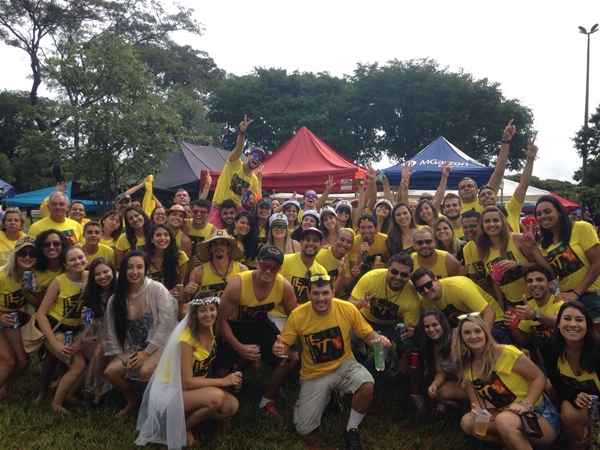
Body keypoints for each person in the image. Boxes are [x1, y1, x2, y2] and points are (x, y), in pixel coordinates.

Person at [273, 274, 391, 449]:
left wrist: (379, 341)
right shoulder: (298, 315)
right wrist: (279, 348)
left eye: (325, 293)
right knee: (303, 429)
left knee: (367, 384)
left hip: (345, 365)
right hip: (314, 374)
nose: (321, 298)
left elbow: (368, 335)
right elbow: (283, 343)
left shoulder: (347, 308)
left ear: (333, 292)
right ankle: (331, 397)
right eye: (316, 293)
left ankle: (352, 429)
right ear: (308, 293)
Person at [136, 296, 241, 449]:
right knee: (217, 398)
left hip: (190, 389)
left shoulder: (210, 329)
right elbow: (186, 382)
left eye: (212, 309)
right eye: (202, 311)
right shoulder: (186, 340)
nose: (208, 314)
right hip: (171, 391)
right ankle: (183, 427)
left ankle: (191, 418)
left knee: (232, 406)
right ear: (194, 314)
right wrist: (223, 381)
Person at [456, 315, 559, 449]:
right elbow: (477, 405)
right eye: (467, 333)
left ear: (485, 333)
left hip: (537, 416)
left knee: (504, 420)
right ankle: (512, 442)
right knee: (468, 422)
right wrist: (480, 415)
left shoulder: (506, 353)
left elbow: (538, 377)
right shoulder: (467, 367)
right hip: (504, 416)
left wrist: (525, 404)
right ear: (461, 338)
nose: (473, 336)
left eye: (477, 331)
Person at [218, 245, 298, 416]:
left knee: (291, 357)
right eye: (264, 265)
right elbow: (221, 320)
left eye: (274, 268)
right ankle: (228, 390)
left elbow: (296, 318)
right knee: (221, 370)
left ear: (280, 269)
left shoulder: (284, 286)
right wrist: (239, 347)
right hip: (236, 327)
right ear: (256, 262)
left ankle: (267, 399)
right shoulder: (238, 284)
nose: (268, 271)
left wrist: (283, 341)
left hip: (262, 326)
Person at [103, 251, 178, 416]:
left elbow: (167, 325)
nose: (134, 272)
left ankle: (153, 406)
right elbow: (111, 331)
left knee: (145, 371)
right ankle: (132, 400)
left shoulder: (156, 289)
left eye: (139, 267)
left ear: (146, 269)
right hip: (132, 347)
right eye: (130, 267)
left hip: (159, 345)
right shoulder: (115, 299)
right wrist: (123, 356)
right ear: (123, 270)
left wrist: (146, 352)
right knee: (111, 372)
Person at [534, 194, 600, 329]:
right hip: (567, 301)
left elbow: (597, 262)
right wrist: (532, 248)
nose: (543, 216)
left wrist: (577, 292)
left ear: (559, 211)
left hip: (591, 295)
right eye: (539, 214)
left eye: (547, 211)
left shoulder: (581, 228)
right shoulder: (544, 245)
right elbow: (551, 275)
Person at [36, 246, 89, 413]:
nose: (78, 262)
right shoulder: (59, 281)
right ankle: (56, 403)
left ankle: (66, 393)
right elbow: (41, 314)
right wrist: (53, 342)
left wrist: (85, 332)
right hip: (56, 328)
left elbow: (91, 309)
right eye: (72, 260)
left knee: (85, 361)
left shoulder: (91, 278)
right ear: (65, 264)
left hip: (78, 329)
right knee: (78, 365)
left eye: (80, 257)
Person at [546, 301, 600, 450]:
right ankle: (581, 442)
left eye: (579, 320)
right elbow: (556, 381)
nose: (573, 324)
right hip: (581, 400)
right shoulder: (552, 348)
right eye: (567, 318)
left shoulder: (597, 349)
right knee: (568, 411)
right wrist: (574, 395)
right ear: (558, 324)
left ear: (588, 325)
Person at [350, 253, 421, 344]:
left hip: (390, 326)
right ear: (387, 269)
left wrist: (409, 331)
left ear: (410, 275)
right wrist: (361, 303)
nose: (398, 277)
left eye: (404, 275)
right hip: (364, 319)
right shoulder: (371, 278)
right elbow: (349, 306)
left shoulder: (413, 296)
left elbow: (410, 327)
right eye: (394, 272)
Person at [0, 236, 37, 401]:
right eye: (23, 253)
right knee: (8, 360)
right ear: (15, 255)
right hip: (2, 318)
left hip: (12, 321)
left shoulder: (31, 277)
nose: (27, 257)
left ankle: (4, 384)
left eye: (32, 253)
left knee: (22, 361)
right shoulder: (2, 275)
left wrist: (26, 291)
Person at [411, 269, 497, 331]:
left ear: (436, 279)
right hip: (465, 328)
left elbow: (489, 313)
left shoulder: (459, 287)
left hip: (494, 322)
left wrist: (485, 339)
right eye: (421, 289)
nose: (426, 290)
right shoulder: (425, 300)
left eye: (428, 284)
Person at [80, 257, 116, 404]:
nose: (103, 277)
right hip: (99, 328)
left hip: (118, 330)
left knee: (100, 349)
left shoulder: (120, 289)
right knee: (88, 344)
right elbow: (88, 321)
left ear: (112, 271)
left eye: (106, 272)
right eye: (97, 274)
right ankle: (98, 386)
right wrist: (87, 323)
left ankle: (95, 390)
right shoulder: (91, 293)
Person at [416, 310, 467, 413]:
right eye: (427, 326)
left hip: (470, 382)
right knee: (438, 392)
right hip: (457, 382)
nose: (431, 329)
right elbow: (441, 372)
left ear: (443, 324)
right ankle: (456, 408)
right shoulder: (436, 345)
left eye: (435, 325)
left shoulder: (456, 339)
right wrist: (434, 385)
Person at [510, 265, 563, 358]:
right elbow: (524, 340)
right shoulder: (528, 306)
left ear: (550, 284)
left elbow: (560, 323)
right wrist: (513, 326)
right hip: (546, 358)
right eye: (530, 281)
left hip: (566, 354)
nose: (534, 284)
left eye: (539, 280)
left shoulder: (560, 301)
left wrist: (535, 315)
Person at [212, 115, 262, 208]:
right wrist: (242, 133)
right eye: (255, 155)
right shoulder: (235, 164)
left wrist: (260, 181)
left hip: (235, 213)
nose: (256, 159)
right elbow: (238, 148)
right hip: (219, 206)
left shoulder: (253, 180)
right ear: (248, 156)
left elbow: (257, 200)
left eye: (260, 159)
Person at [184, 230, 245, 301]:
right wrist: (187, 292)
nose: (218, 247)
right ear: (210, 248)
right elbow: (189, 300)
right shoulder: (198, 272)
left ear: (229, 248)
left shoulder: (242, 270)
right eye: (215, 244)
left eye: (222, 244)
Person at [280, 227, 328, 304]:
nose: (311, 243)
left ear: (320, 245)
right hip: (280, 314)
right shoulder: (285, 261)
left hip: (306, 313)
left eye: (315, 241)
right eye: (307, 240)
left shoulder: (321, 271)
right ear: (301, 242)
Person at [146, 224, 189, 298]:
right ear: (152, 240)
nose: (163, 238)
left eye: (166, 235)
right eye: (158, 235)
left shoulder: (180, 256)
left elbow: (181, 285)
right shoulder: (144, 258)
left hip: (172, 301)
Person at [316, 227, 354, 295]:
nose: (344, 244)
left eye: (349, 242)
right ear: (335, 239)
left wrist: (353, 274)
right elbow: (324, 293)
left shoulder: (345, 257)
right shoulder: (321, 256)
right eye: (342, 240)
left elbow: (347, 285)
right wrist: (341, 275)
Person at [34, 229, 68, 299]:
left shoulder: (71, 268)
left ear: (63, 246)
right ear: (41, 247)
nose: (51, 247)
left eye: (56, 244)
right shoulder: (33, 272)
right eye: (47, 245)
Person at [186, 199, 216, 267]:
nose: (198, 214)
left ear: (208, 214)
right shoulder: (185, 224)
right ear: (191, 212)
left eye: (202, 212)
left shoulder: (213, 230)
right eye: (195, 212)